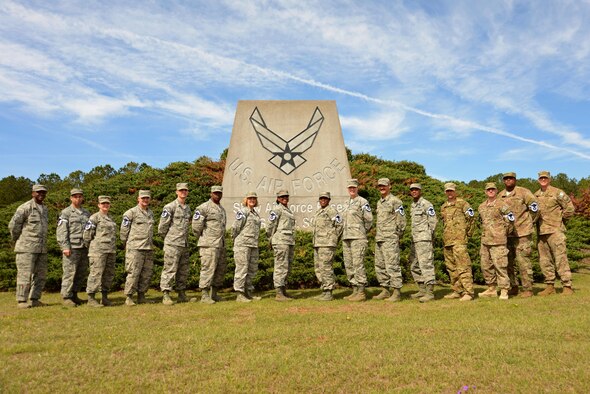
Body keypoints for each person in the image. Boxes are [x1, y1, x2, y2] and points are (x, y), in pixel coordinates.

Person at [534, 171, 576, 295]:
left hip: (555, 231)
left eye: (545, 178)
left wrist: (560, 220)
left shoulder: (558, 193)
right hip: (541, 232)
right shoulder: (535, 195)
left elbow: (570, 208)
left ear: (549, 179)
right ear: (538, 180)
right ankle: (549, 286)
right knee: (544, 261)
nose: (543, 180)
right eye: (541, 178)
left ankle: (567, 286)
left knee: (560, 259)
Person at [8, 184, 49, 309]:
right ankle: (22, 300)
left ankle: (35, 299)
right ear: (33, 193)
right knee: (24, 275)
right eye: (38, 192)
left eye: (43, 192)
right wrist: (18, 239)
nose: (41, 194)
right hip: (26, 248)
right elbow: (13, 225)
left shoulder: (45, 209)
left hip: (41, 249)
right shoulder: (25, 208)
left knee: (40, 275)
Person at [498, 172, 539, 298]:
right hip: (507, 234)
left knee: (523, 261)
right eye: (506, 179)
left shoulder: (523, 192)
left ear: (515, 180)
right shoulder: (500, 195)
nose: (508, 180)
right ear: (503, 181)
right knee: (508, 263)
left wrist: (529, 222)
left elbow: (535, 208)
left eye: (511, 178)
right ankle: (513, 286)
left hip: (522, 233)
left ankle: (528, 289)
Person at [477, 183, 514, 300]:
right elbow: (480, 222)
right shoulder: (481, 206)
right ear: (485, 191)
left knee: (500, 266)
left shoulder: (502, 205)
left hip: (498, 241)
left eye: (493, 189)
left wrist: (503, 232)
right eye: (488, 189)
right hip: (485, 241)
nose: (491, 191)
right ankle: (491, 289)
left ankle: (504, 290)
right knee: (486, 266)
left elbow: (511, 220)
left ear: (496, 191)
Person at [440, 182, 475, 301]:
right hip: (448, 241)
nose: (449, 193)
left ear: (455, 191)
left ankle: (468, 292)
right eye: (447, 191)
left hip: (459, 241)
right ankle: (457, 290)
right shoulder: (443, 207)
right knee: (452, 268)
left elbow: (472, 218)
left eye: (451, 191)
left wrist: (467, 234)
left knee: (463, 266)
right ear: (445, 192)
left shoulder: (463, 204)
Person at [192, 185, 227, 304]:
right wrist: (203, 238)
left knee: (219, 270)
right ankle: (204, 295)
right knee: (208, 269)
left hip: (220, 244)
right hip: (208, 244)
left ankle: (214, 293)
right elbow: (196, 227)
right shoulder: (203, 207)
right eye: (215, 193)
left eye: (219, 193)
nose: (217, 195)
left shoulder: (221, 209)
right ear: (211, 194)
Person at [158, 183, 192, 305]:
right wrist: (168, 239)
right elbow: (162, 227)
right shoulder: (169, 207)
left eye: (185, 190)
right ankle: (166, 294)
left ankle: (181, 293)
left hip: (184, 244)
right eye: (181, 190)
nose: (183, 192)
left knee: (183, 270)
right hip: (172, 243)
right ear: (176, 192)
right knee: (170, 269)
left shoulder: (187, 208)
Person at [57, 188, 91, 307]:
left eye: (80, 196)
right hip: (72, 247)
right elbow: (62, 231)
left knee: (80, 273)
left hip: (84, 247)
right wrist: (65, 247)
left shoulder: (86, 213)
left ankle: (74, 295)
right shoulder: (66, 213)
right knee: (69, 273)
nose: (78, 198)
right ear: (71, 198)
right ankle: (66, 297)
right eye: (75, 196)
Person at [374, 178, 406, 302]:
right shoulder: (379, 202)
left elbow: (401, 220)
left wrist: (396, 235)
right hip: (380, 238)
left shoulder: (395, 201)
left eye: (384, 186)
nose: (382, 188)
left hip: (390, 239)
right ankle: (385, 290)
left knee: (392, 265)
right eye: (380, 186)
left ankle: (396, 292)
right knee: (380, 266)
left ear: (389, 186)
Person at [120, 190, 155, 306]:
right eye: (143, 198)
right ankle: (129, 297)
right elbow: (124, 230)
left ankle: (141, 296)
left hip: (148, 248)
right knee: (133, 273)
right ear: (138, 199)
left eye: (147, 198)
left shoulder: (150, 213)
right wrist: (125, 243)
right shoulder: (131, 213)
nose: (145, 200)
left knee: (146, 273)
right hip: (135, 248)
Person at [342, 179, 373, 302]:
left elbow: (369, 219)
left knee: (358, 264)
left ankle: (361, 292)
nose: (352, 189)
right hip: (346, 237)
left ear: (357, 188)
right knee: (349, 265)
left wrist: (361, 231)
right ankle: (354, 290)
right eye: (350, 188)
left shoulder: (362, 202)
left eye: (354, 188)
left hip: (358, 238)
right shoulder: (346, 203)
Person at [83, 195, 117, 307]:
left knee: (108, 274)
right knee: (96, 274)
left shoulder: (110, 218)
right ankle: (91, 298)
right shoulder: (94, 218)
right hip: (98, 251)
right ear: (99, 205)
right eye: (103, 204)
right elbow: (87, 235)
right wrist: (92, 247)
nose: (105, 205)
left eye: (107, 203)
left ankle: (104, 297)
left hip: (110, 250)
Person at [408, 183, 437, 303]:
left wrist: (428, 235)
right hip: (415, 239)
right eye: (412, 190)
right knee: (414, 265)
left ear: (420, 191)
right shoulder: (413, 205)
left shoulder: (426, 204)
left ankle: (429, 293)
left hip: (424, 239)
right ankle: (422, 289)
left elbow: (433, 220)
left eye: (416, 190)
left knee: (426, 265)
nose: (414, 191)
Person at [311, 191, 343, 301]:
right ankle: (324, 290)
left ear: (329, 200)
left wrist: (333, 239)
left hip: (327, 244)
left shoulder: (331, 211)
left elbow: (339, 225)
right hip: (318, 243)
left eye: (325, 199)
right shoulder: (319, 211)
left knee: (326, 267)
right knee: (319, 268)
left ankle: (329, 292)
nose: (323, 200)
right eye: (321, 199)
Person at [232, 191, 262, 303]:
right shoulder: (243, 212)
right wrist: (237, 240)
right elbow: (235, 228)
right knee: (242, 269)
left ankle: (248, 292)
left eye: (254, 198)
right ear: (246, 200)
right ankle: (240, 294)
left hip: (253, 244)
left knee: (252, 269)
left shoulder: (255, 213)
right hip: (242, 245)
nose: (252, 200)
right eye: (250, 198)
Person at [267, 190, 296, 301]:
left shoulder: (287, 210)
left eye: (286, 196)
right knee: (280, 266)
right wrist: (271, 239)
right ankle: (279, 293)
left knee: (287, 267)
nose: (284, 198)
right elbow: (270, 226)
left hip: (288, 241)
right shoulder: (276, 209)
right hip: (280, 242)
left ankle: (283, 291)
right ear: (278, 198)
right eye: (282, 197)